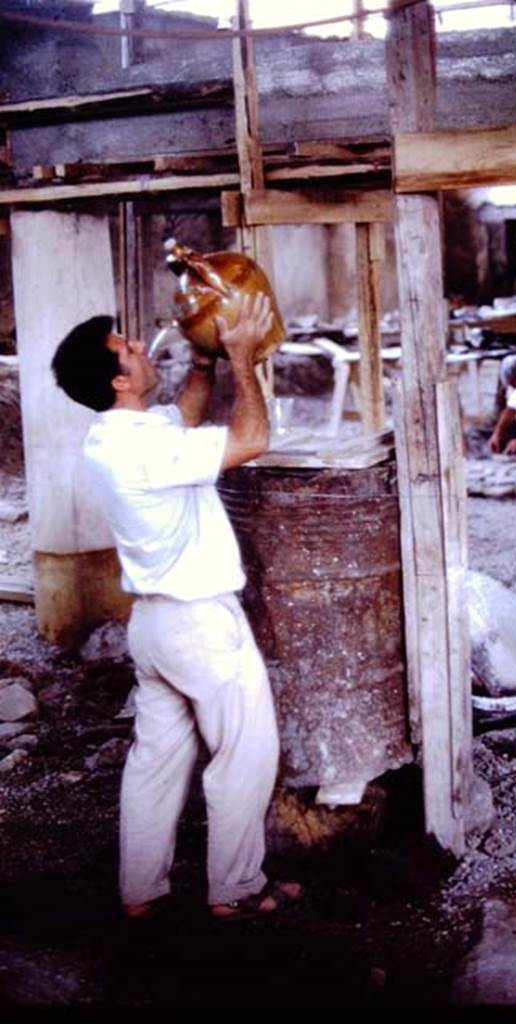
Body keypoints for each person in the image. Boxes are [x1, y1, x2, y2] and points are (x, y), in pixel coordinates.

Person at [51, 293, 300, 920]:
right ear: (119, 380)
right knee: (244, 751)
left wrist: (205, 367)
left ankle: (140, 892)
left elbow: (181, 420)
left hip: (155, 626)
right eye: (127, 349)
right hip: (199, 621)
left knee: (155, 762)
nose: (140, 346)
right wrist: (242, 358)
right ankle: (236, 890)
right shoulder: (143, 450)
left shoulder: (117, 434)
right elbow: (253, 438)